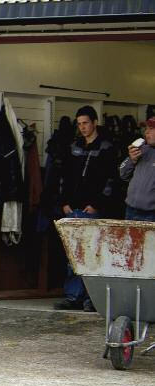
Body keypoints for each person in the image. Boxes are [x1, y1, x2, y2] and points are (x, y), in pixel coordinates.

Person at [55, 105, 117, 312]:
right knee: (72, 255)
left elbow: (111, 181)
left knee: (92, 255)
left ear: (94, 122)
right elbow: (64, 176)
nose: (82, 127)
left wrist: (98, 205)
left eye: (86, 123)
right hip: (72, 209)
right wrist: (64, 202)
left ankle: (91, 299)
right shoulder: (74, 146)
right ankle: (73, 296)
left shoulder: (107, 148)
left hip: (92, 210)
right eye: (79, 124)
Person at [120, 116, 155, 222]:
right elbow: (123, 174)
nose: (146, 132)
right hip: (130, 209)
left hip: (151, 214)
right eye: (146, 128)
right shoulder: (142, 149)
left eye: (151, 129)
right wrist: (132, 159)